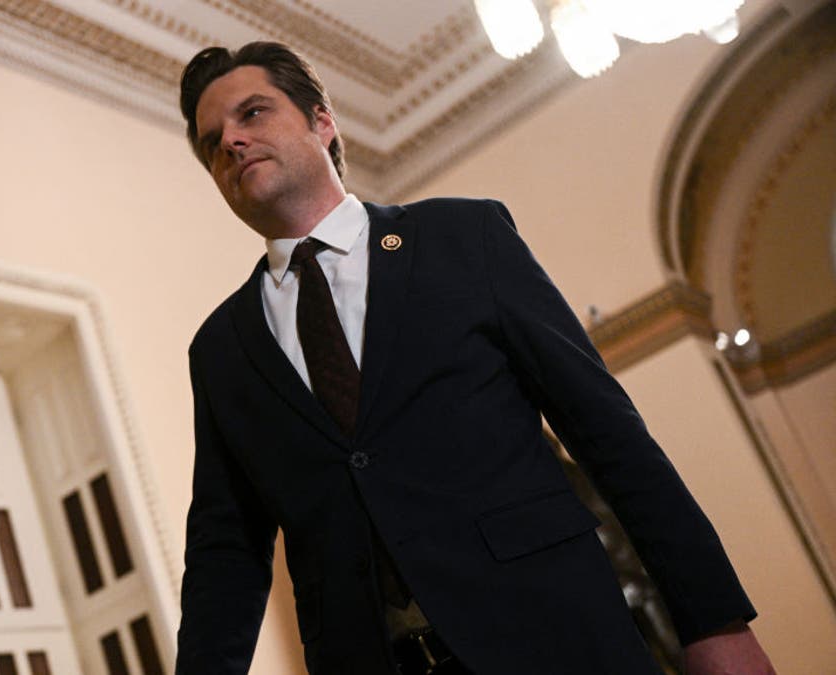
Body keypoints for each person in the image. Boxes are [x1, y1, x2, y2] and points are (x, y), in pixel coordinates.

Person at [174, 42, 775, 674]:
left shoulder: (465, 239)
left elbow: (611, 438)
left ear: (323, 121)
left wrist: (715, 622)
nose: (232, 143)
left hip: (558, 640)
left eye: (253, 114)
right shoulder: (220, 349)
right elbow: (225, 555)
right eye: (213, 142)